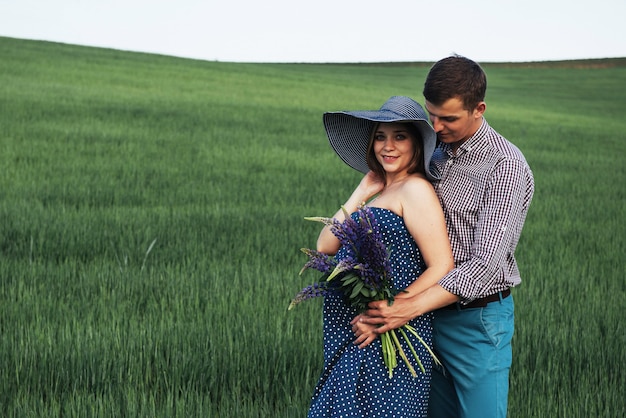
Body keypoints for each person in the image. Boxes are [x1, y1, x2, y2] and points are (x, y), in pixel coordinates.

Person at [360, 56, 535, 418]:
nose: (436, 126)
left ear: (479, 109)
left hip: (476, 321)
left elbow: (485, 266)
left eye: (449, 118)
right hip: (422, 318)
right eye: (431, 114)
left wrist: (406, 307)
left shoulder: (505, 166)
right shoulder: (433, 150)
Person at [307, 96, 454, 417]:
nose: (388, 146)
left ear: (417, 144)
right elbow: (324, 245)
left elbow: (442, 265)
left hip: (390, 330)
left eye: (399, 136)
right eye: (380, 137)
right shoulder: (380, 194)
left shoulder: (416, 189)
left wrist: (389, 310)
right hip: (355, 330)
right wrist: (361, 191)